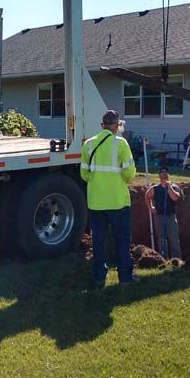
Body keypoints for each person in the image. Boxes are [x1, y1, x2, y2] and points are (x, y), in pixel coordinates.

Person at [80, 110, 138, 288]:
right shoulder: (121, 144)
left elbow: (84, 174)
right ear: (117, 125)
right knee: (122, 241)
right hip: (118, 201)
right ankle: (125, 279)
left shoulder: (88, 144)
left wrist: (98, 182)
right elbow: (129, 174)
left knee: (98, 242)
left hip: (96, 203)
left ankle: (99, 278)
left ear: (102, 125)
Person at [143, 166, 182, 260]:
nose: (164, 173)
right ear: (159, 175)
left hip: (171, 217)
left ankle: (176, 260)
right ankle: (163, 260)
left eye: (165, 172)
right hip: (159, 217)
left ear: (168, 175)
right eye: (162, 172)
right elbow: (147, 196)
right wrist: (151, 208)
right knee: (161, 239)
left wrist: (169, 187)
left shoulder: (174, 187)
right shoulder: (155, 188)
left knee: (174, 239)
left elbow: (175, 198)